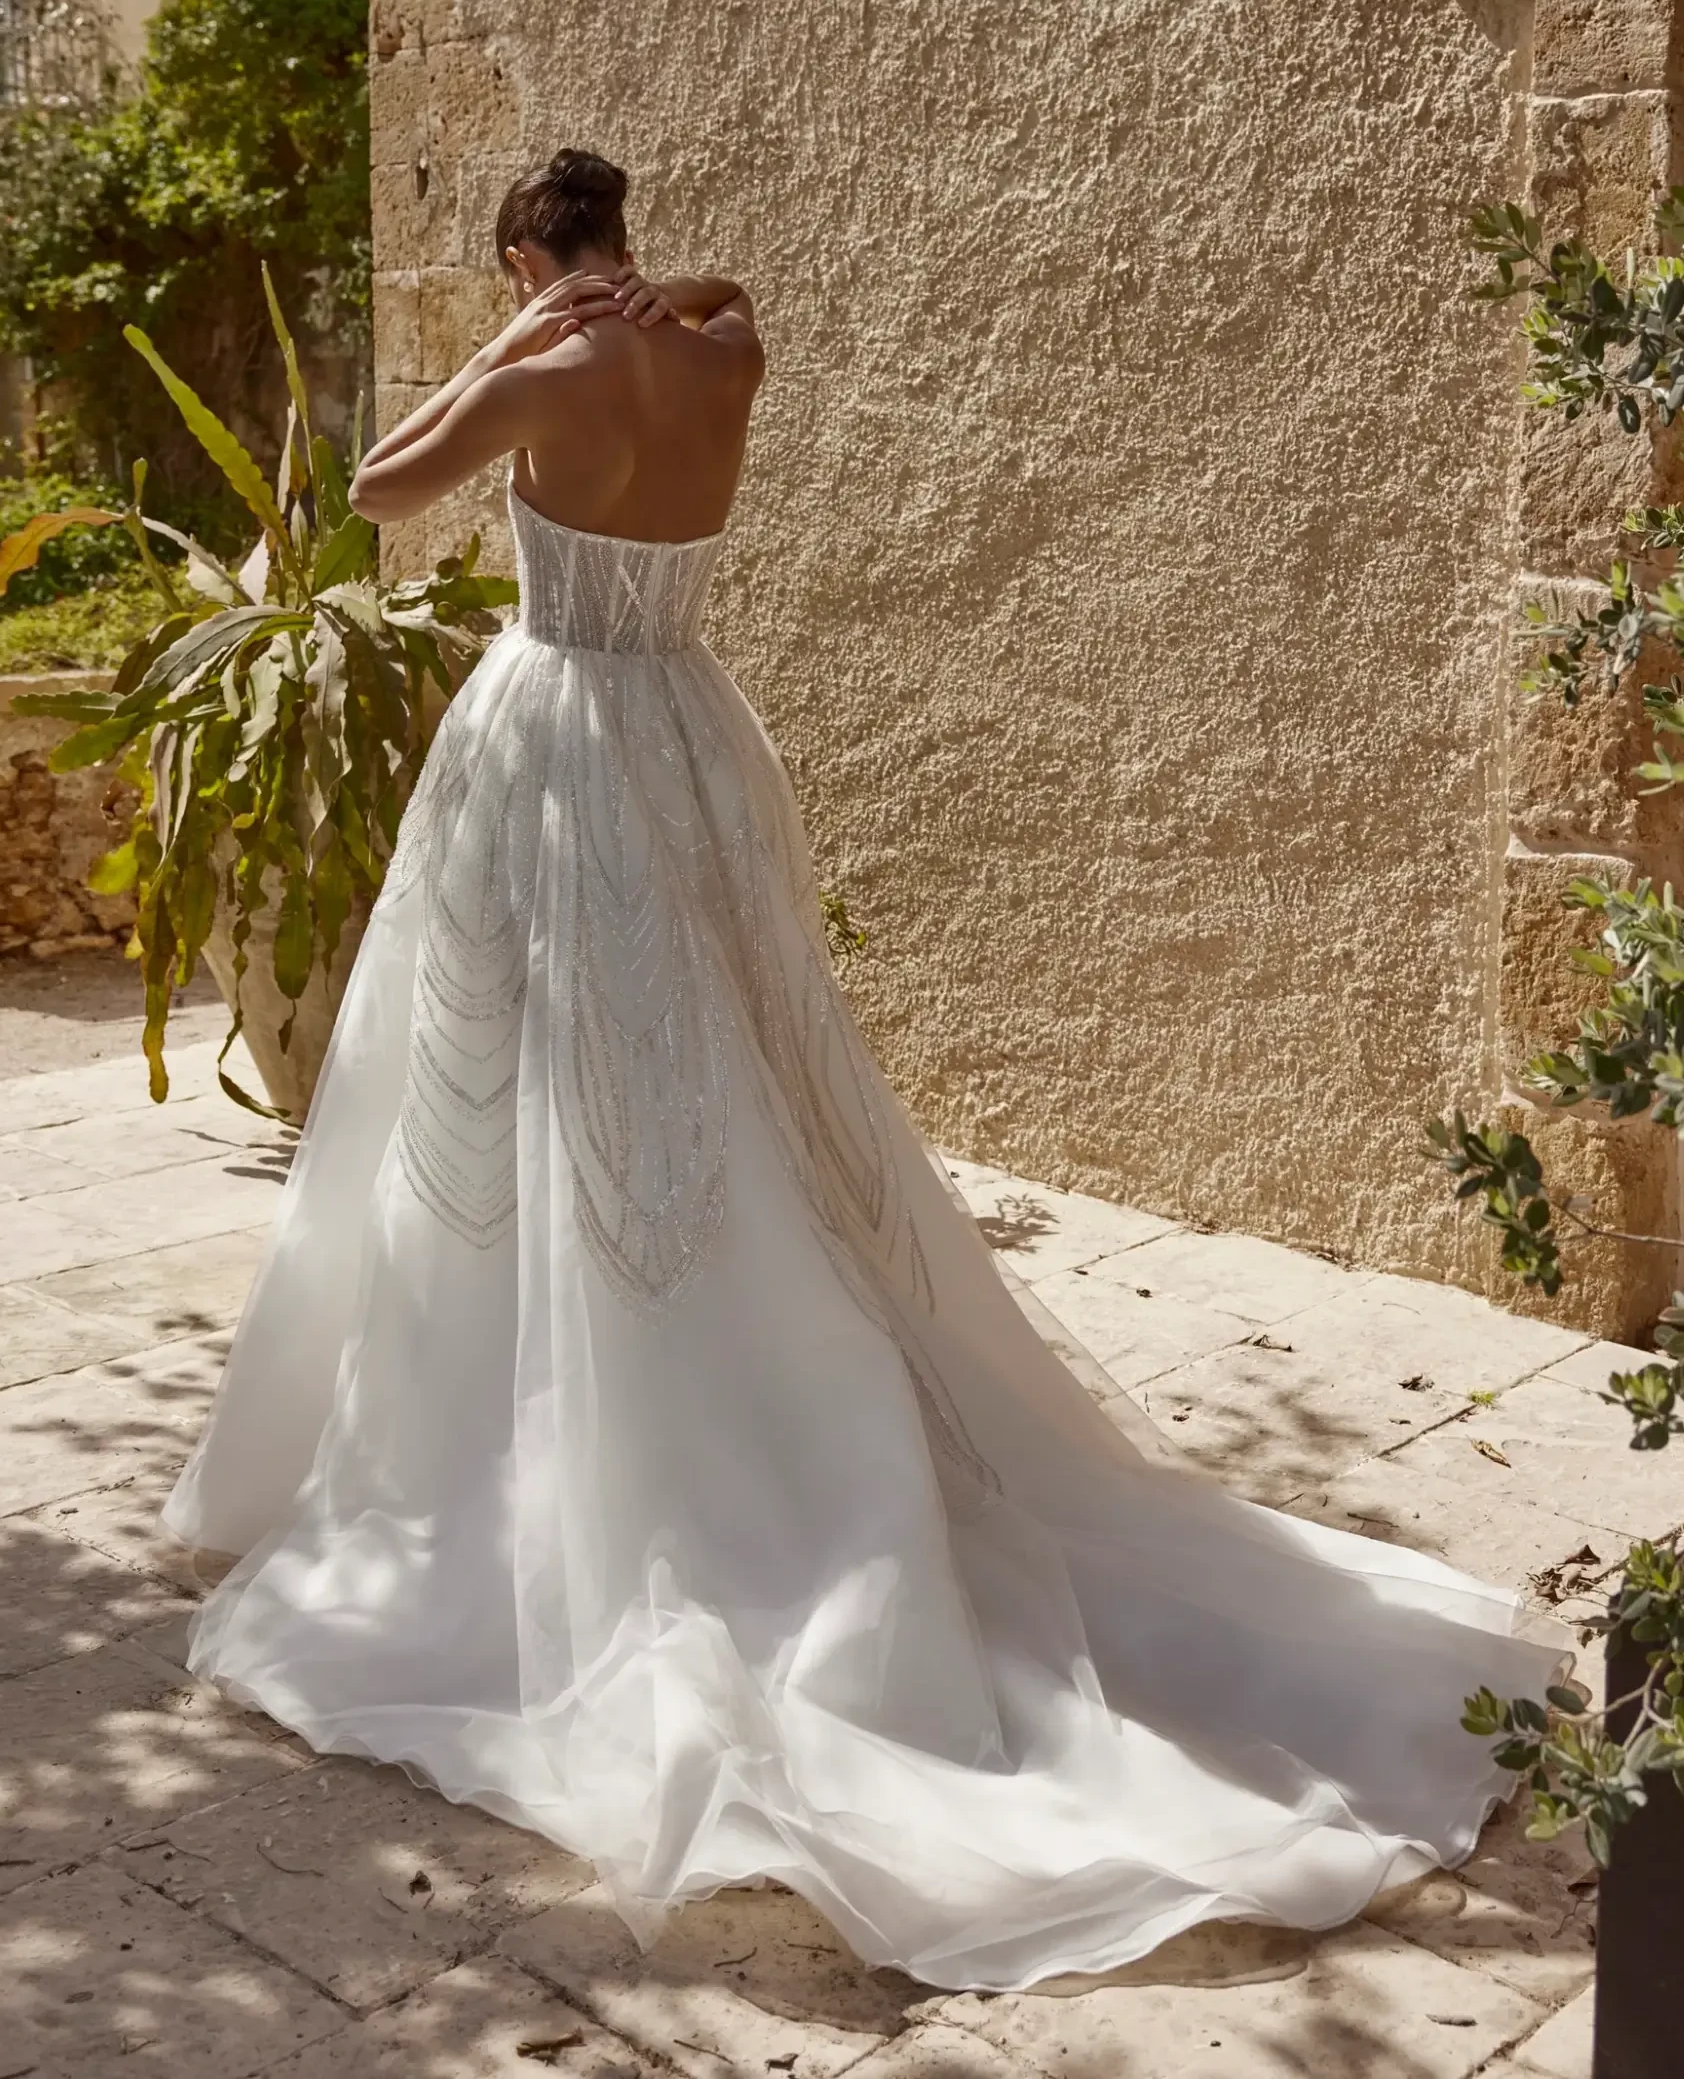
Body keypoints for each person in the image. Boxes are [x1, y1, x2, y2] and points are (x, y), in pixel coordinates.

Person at [165, 146, 1566, 1992]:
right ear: (633, 237)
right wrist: (646, 290)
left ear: (527, 250)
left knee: (559, 1095)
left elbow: (372, 488)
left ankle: (591, 1433)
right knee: (728, 1080)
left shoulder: (536, 371)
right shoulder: (724, 344)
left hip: (567, 744)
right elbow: (723, 290)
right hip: (696, 738)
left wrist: (519, 330)